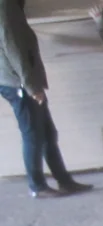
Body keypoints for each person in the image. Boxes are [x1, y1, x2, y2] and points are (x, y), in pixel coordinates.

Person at [0, 0, 94, 198]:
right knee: (33, 135)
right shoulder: (5, 5)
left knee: (47, 133)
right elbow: (12, 45)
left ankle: (64, 181)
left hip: (19, 79)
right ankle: (37, 186)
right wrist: (31, 85)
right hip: (18, 81)